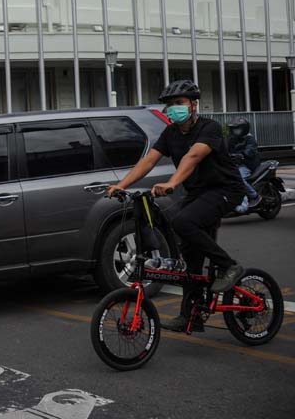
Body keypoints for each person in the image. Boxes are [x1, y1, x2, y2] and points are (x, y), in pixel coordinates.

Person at [106, 80, 246, 332]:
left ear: (193, 105)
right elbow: (148, 161)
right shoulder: (170, 133)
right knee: (189, 253)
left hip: (225, 190)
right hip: (197, 193)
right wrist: (122, 185)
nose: (173, 109)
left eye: (179, 103)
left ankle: (229, 265)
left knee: (184, 222)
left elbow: (194, 156)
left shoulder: (210, 128)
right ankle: (190, 315)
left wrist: (171, 183)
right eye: (170, 105)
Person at [226, 117, 261, 210]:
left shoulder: (250, 139)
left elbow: (250, 151)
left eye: (238, 129)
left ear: (244, 129)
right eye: (234, 129)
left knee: (238, 179)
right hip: (234, 165)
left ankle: (254, 196)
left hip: (247, 165)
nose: (235, 131)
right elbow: (224, 149)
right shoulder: (231, 139)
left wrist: (242, 155)